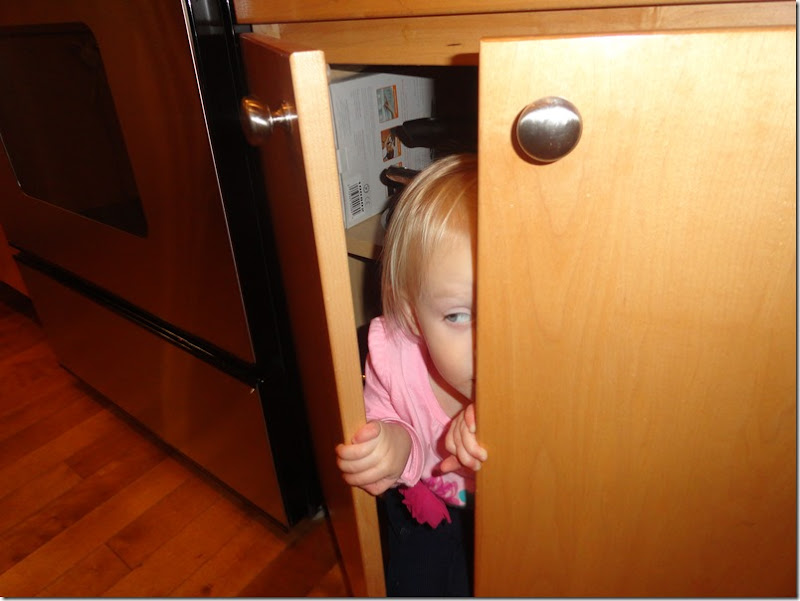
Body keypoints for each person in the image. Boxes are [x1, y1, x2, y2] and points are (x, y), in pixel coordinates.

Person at [335, 153, 488, 596]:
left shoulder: (540, 367)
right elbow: (387, 413)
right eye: (458, 315)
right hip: (430, 498)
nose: (488, 345)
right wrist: (392, 444)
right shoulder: (395, 358)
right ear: (412, 314)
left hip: (507, 511)